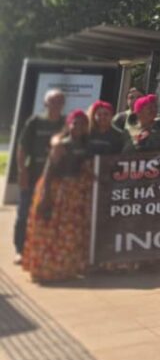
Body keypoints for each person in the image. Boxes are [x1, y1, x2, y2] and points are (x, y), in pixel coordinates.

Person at [21, 110, 91, 283]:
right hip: (56, 188)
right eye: (75, 123)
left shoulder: (85, 145)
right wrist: (45, 194)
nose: (78, 127)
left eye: (82, 124)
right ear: (69, 125)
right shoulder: (61, 145)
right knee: (50, 229)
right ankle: (45, 270)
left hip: (74, 192)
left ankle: (64, 270)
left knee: (69, 231)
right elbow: (49, 169)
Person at [14, 89, 65, 263]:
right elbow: (22, 148)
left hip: (57, 178)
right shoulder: (35, 122)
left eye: (60, 101)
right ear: (45, 103)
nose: (56, 105)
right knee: (24, 213)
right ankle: (20, 250)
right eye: (53, 101)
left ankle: (47, 251)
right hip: (33, 175)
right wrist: (22, 171)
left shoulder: (66, 124)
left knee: (53, 214)